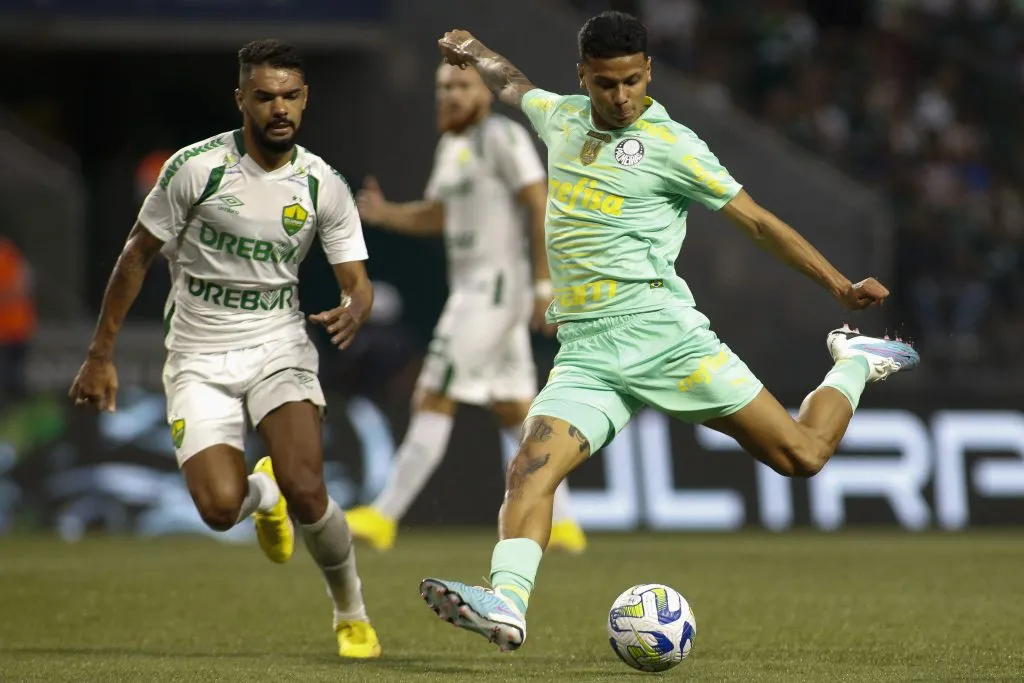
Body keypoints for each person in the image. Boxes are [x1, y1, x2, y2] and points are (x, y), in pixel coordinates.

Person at [419, 12, 920, 652]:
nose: (621, 97)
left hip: (664, 337)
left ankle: (853, 361)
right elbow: (513, 83)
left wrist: (839, 287)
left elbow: (759, 223)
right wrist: (474, 49)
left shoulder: (674, 144)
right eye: (605, 84)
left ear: (649, 71)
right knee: (528, 470)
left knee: (802, 456)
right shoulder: (562, 117)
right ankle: (508, 605)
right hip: (587, 354)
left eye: (632, 80)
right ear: (583, 78)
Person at [67, 39, 381, 659]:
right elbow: (136, 254)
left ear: (305, 98)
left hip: (278, 343)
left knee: (309, 488)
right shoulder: (195, 169)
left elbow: (357, 281)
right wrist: (100, 353)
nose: (279, 108)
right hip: (198, 357)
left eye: (290, 95)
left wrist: (356, 309)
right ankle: (261, 496)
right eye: (264, 96)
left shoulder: (323, 183)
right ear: (242, 99)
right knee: (217, 509)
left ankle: (352, 614)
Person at [345, 62, 587, 554]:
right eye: (443, 87)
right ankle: (564, 524)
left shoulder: (503, 136)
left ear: (485, 93)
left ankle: (383, 514)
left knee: (433, 392)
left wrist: (545, 283)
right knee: (515, 410)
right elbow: (438, 214)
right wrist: (386, 213)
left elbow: (540, 202)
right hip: (479, 291)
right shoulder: (452, 146)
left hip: (492, 291)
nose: (450, 95)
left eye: (461, 86)